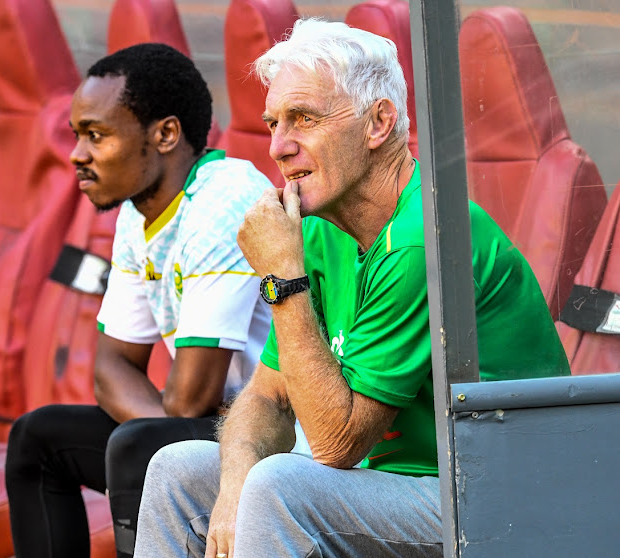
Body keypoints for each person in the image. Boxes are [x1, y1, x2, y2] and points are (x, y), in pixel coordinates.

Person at [133, 19, 571, 558]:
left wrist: (282, 278)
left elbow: (337, 444)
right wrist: (230, 493)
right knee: (177, 470)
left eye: (304, 120)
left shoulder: (419, 240)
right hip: (391, 483)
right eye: (272, 123)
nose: (277, 146)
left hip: (497, 499)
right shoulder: (319, 228)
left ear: (378, 123)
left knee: (282, 489)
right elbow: (269, 395)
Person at [4, 43, 273, 558]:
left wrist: (152, 440)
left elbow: (192, 398)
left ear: (165, 135)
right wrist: (155, 436)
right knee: (38, 438)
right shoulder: (139, 211)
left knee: (137, 447)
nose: (77, 154)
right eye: (78, 135)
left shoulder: (224, 202)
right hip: (207, 424)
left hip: (273, 435)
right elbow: (111, 367)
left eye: (96, 135)